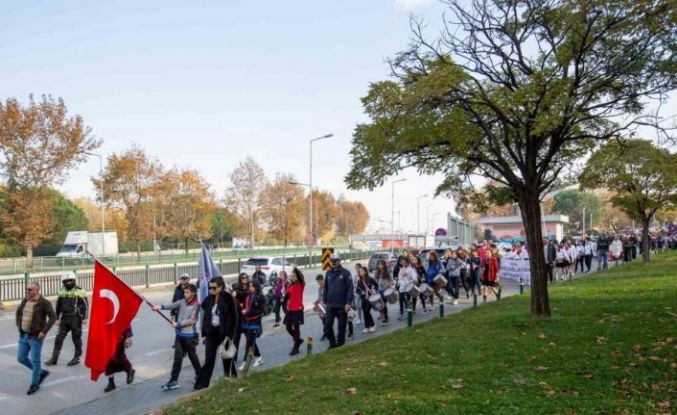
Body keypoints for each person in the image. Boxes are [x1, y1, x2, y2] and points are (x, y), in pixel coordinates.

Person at [153, 284, 201, 391]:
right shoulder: (182, 301)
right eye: (184, 292)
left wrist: (178, 324)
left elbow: (192, 320)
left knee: (193, 356)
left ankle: (200, 375)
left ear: (193, 293)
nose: (185, 294)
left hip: (189, 336)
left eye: (187, 292)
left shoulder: (196, 305)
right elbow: (173, 305)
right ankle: (173, 381)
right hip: (179, 335)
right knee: (177, 358)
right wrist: (159, 307)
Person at [194, 276, 238, 390]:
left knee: (226, 356)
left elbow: (233, 318)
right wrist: (204, 332)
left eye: (214, 288)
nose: (211, 290)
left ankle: (231, 378)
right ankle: (201, 384)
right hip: (211, 333)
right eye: (210, 287)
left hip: (224, 332)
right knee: (209, 359)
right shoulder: (209, 299)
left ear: (221, 287)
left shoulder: (228, 299)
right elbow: (206, 317)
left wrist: (229, 335)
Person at [16, 282, 56, 395]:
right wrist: (18, 326)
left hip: (35, 337)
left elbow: (53, 317)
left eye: (30, 289)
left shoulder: (44, 303)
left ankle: (35, 384)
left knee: (35, 360)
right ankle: (41, 372)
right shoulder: (25, 300)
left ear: (37, 291)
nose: (27, 291)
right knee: (21, 358)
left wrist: (44, 331)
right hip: (24, 335)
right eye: (26, 289)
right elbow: (19, 313)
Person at [45, 271, 88, 367]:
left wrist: (85, 317)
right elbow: (58, 305)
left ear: (74, 280)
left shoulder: (79, 291)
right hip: (64, 318)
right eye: (66, 281)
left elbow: (85, 305)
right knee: (59, 338)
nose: (68, 283)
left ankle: (77, 357)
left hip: (75, 317)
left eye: (70, 280)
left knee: (76, 337)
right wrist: (56, 318)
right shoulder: (62, 291)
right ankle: (54, 358)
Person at [322, 253, 353, 349]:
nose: (333, 263)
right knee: (327, 327)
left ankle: (340, 344)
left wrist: (348, 303)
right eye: (332, 261)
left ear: (339, 261)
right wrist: (324, 301)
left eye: (335, 261)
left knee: (341, 327)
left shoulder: (346, 273)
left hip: (342, 305)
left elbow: (350, 289)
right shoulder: (328, 273)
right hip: (330, 304)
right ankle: (332, 344)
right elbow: (326, 288)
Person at [238, 281, 265, 370]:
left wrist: (247, 312)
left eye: (253, 286)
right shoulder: (248, 295)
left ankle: (245, 363)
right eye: (250, 286)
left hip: (255, 324)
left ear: (257, 287)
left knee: (249, 344)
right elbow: (240, 294)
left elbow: (260, 311)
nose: (251, 288)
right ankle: (259, 358)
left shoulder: (260, 297)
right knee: (251, 342)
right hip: (246, 323)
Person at [104, 326, 135, 392]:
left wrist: (128, 336)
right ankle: (111, 382)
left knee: (119, 357)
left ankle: (129, 370)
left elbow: (126, 320)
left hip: (119, 333)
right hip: (107, 332)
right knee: (108, 358)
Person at [284, 267, 305, 356]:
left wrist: (295, 269)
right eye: (291, 276)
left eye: (294, 275)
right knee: (288, 327)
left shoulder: (301, 284)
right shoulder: (290, 285)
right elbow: (288, 296)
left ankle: (296, 347)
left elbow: (300, 276)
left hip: (298, 309)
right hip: (290, 309)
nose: (292, 277)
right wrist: (283, 299)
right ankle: (298, 340)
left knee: (296, 328)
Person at [231, 273, 250, 365]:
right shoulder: (236, 287)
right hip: (239, 315)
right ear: (240, 279)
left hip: (247, 315)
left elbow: (247, 295)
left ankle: (249, 355)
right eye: (243, 277)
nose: (245, 279)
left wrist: (238, 294)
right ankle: (234, 356)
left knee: (249, 337)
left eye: (246, 277)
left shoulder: (250, 287)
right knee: (236, 337)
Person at [356, 267, 377, 333]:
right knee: (365, 312)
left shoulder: (370, 279)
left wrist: (374, 290)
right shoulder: (359, 281)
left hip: (370, 298)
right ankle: (367, 327)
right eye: (359, 271)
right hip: (363, 298)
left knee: (367, 312)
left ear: (365, 271)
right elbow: (357, 290)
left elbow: (376, 285)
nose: (361, 272)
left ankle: (372, 325)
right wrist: (361, 293)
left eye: (362, 270)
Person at [374, 259, 393, 325]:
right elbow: (375, 281)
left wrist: (388, 284)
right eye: (379, 264)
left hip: (385, 290)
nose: (380, 266)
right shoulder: (377, 272)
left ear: (384, 265)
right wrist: (375, 289)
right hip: (379, 290)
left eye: (381, 264)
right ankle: (382, 314)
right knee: (380, 304)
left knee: (384, 304)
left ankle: (386, 317)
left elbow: (392, 281)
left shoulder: (387, 272)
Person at [314, 274, 327, 341]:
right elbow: (319, 298)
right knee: (324, 321)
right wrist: (316, 302)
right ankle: (326, 332)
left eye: (320, 281)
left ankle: (326, 333)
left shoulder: (327, 286)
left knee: (327, 321)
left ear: (323, 279)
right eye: (318, 282)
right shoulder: (319, 288)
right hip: (322, 307)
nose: (319, 283)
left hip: (327, 306)